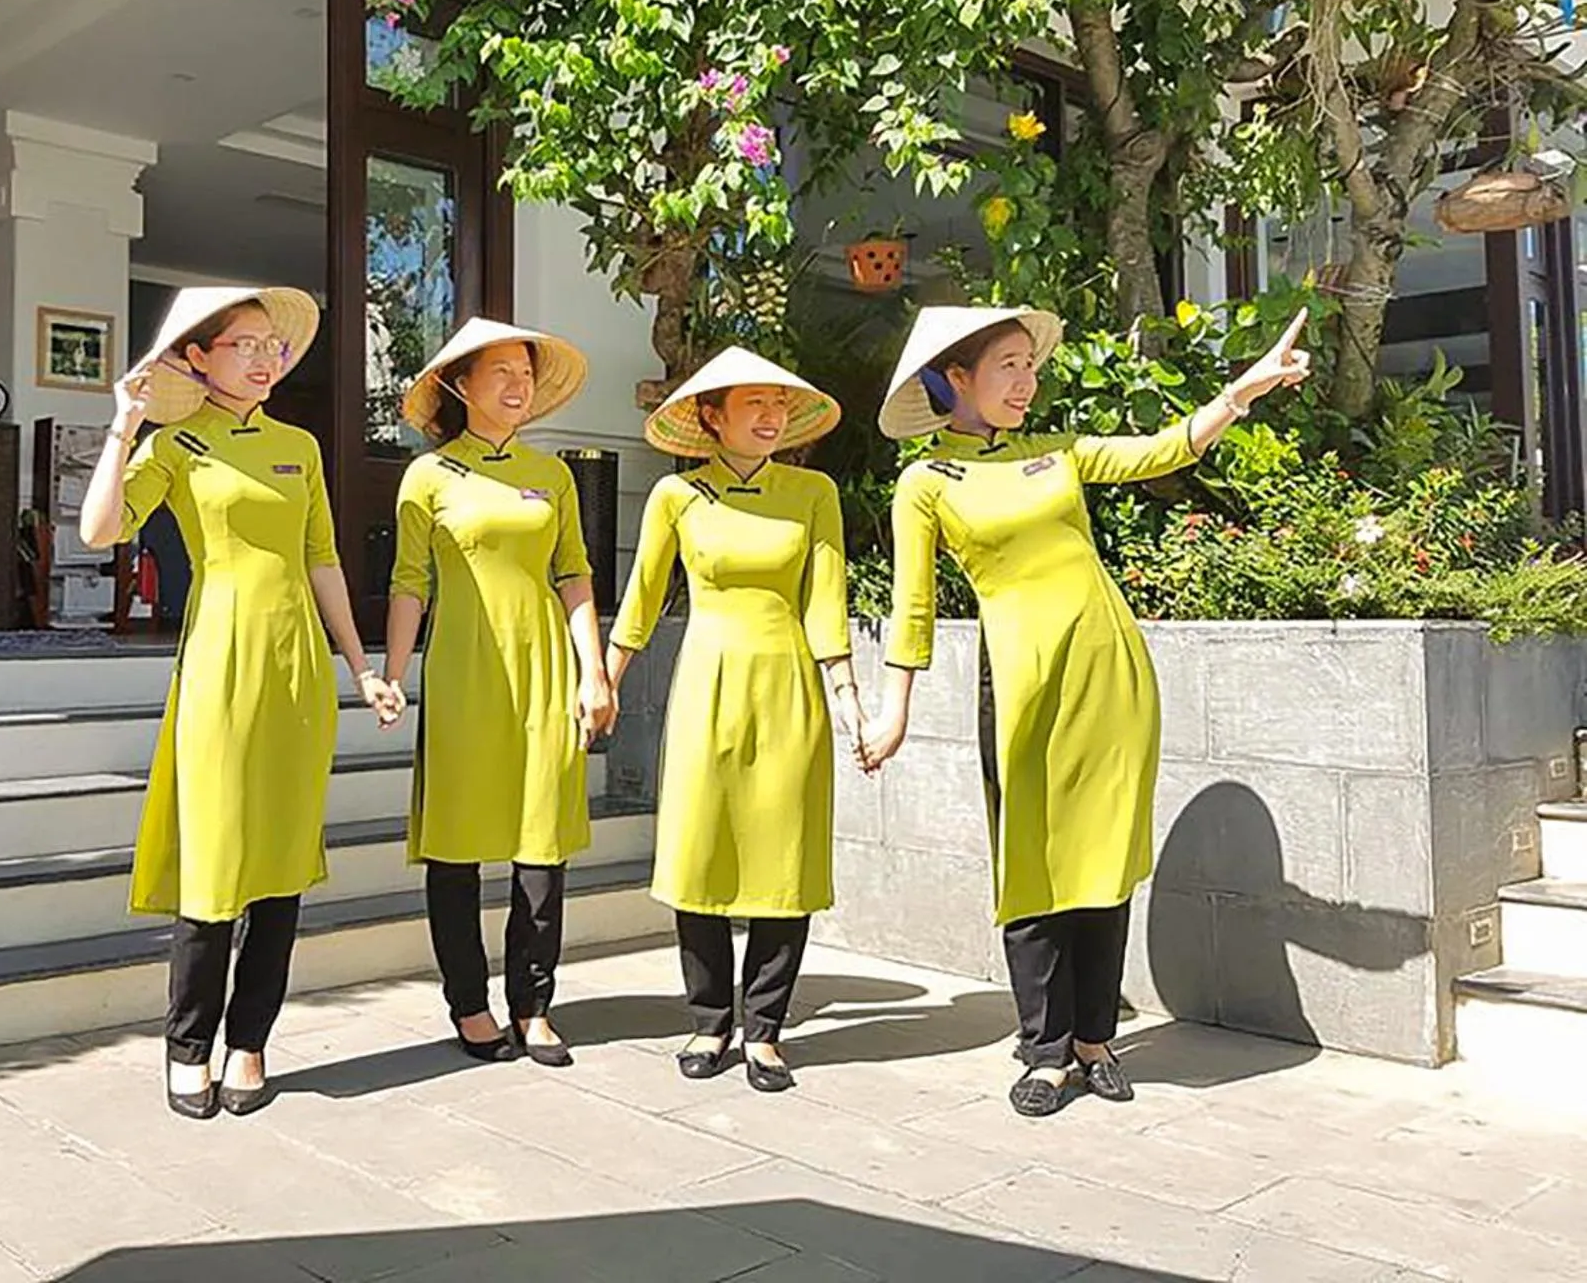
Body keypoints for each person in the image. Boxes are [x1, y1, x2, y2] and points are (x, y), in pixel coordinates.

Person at [863, 304, 1310, 1117]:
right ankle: (1043, 1050)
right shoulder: (926, 482)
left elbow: (1162, 451)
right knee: (1032, 864)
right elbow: (913, 607)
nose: (1025, 382)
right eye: (1007, 366)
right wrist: (892, 707)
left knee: (1101, 857)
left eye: (1029, 367)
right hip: (1022, 681)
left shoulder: (1057, 453)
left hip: (1109, 672)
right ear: (954, 377)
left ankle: (1094, 1039)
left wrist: (1241, 392)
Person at [79, 285, 401, 1121]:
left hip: (297, 665)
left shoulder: (298, 445)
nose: (265, 358)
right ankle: (188, 1045)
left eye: (271, 345)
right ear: (198, 356)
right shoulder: (177, 444)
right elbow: (99, 530)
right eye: (244, 344)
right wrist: (124, 425)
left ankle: (250, 1040)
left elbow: (323, 559)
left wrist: (361, 667)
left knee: (281, 864)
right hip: (220, 659)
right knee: (217, 857)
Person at [606, 347, 871, 1093]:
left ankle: (765, 1028)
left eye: (778, 405)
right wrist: (607, 679)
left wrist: (847, 694)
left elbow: (826, 595)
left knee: (782, 855)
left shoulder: (811, 491)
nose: (768, 417)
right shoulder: (677, 498)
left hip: (787, 681)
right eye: (751, 404)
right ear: (709, 418)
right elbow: (643, 594)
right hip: (706, 681)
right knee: (699, 851)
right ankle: (706, 1018)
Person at [381, 318, 616, 1066]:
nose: (518, 385)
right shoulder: (428, 476)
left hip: (545, 665)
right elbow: (409, 581)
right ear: (459, 385)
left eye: (525, 372)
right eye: (501, 373)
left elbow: (573, 573)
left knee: (540, 847)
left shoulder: (552, 475)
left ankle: (533, 1004)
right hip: (461, 670)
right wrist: (392, 673)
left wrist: (595, 670)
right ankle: (468, 1002)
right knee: (455, 848)